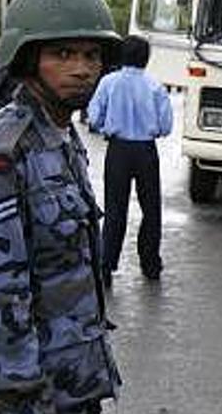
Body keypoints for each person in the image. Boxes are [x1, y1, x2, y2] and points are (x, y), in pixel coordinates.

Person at [0, 0, 122, 414]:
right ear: (28, 61)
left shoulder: (61, 135)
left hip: (73, 380)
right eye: (63, 54)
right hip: (28, 393)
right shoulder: (1, 153)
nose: (82, 68)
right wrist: (19, 394)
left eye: (91, 55)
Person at [87, 35, 173, 285]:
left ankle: (106, 266)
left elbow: (93, 117)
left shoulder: (108, 82)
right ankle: (150, 264)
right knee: (151, 209)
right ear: (146, 58)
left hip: (118, 150)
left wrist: (107, 126)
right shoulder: (155, 85)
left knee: (115, 209)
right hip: (146, 151)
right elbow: (166, 126)